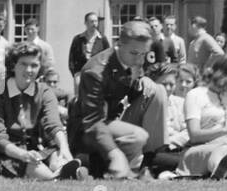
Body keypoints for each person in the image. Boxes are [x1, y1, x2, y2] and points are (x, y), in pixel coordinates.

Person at [71, 20, 169, 180]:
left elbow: (130, 93)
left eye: (144, 54)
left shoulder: (132, 61)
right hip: (89, 128)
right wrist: (115, 153)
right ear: (119, 44)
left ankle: (150, 161)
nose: (140, 60)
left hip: (115, 117)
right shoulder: (95, 72)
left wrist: (138, 82)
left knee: (157, 90)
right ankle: (111, 165)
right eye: (134, 53)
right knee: (138, 136)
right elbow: (93, 121)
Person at [0, 44, 80, 180]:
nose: (29, 70)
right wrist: (23, 154)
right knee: (42, 173)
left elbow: (53, 124)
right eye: (23, 64)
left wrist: (64, 149)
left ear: (40, 67)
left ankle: (62, 169)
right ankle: (55, 177)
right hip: (7, 151)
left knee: (58, 156)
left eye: (34, 65)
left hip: (36, 149)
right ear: (12, 65)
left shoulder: (44, 91)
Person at [178, 56, 227, 179]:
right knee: (223, 148)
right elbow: (194, 135)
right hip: (200, 149)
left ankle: (224, 169)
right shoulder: (196, 95)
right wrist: (226, 131)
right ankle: (219, 170)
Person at [68, 12, 109, 81]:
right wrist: (75, 73)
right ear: (86, 23)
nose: (94, 24)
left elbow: (108, 56)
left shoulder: (102, 39)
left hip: (97, 74)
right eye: (92, 21)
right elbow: (72, 58)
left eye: (96, 21)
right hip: (81, 73)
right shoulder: (78, 39)